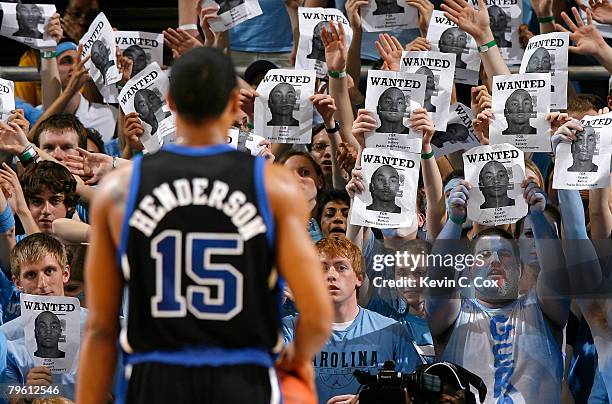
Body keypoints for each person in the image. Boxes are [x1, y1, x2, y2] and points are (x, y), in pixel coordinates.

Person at [76, 47, 333, 403]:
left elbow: (102, 329)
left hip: (156, 379)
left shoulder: (121, 190)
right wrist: (295, 358)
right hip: (243, 375)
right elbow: (319, 317)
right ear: (234, 103)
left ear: (170, 102)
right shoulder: (275, 187)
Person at [428, 179, 568, 403]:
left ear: (520, 268)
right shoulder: (453, 314)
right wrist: (454, 220)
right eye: (484, 256)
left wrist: (538, 217)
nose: (494, 261)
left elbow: (555, 270)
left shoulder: (543, 309)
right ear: (469, 270)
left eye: (504, 255)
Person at [282, 237, 422, 404]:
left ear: (359, 278)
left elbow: (414, 396)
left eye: (341, 268)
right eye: (322, 268)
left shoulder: (392, 331)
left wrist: (369, 401)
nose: (331, 276)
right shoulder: (289, 329)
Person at [1, 233, 88, 401]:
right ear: (17, 282)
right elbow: (4, 395)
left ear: (65, 273)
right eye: (31, 275)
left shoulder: (99, 327)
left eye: (49, 271)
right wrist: (27, 394)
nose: (42, 284)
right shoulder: (5, 338)